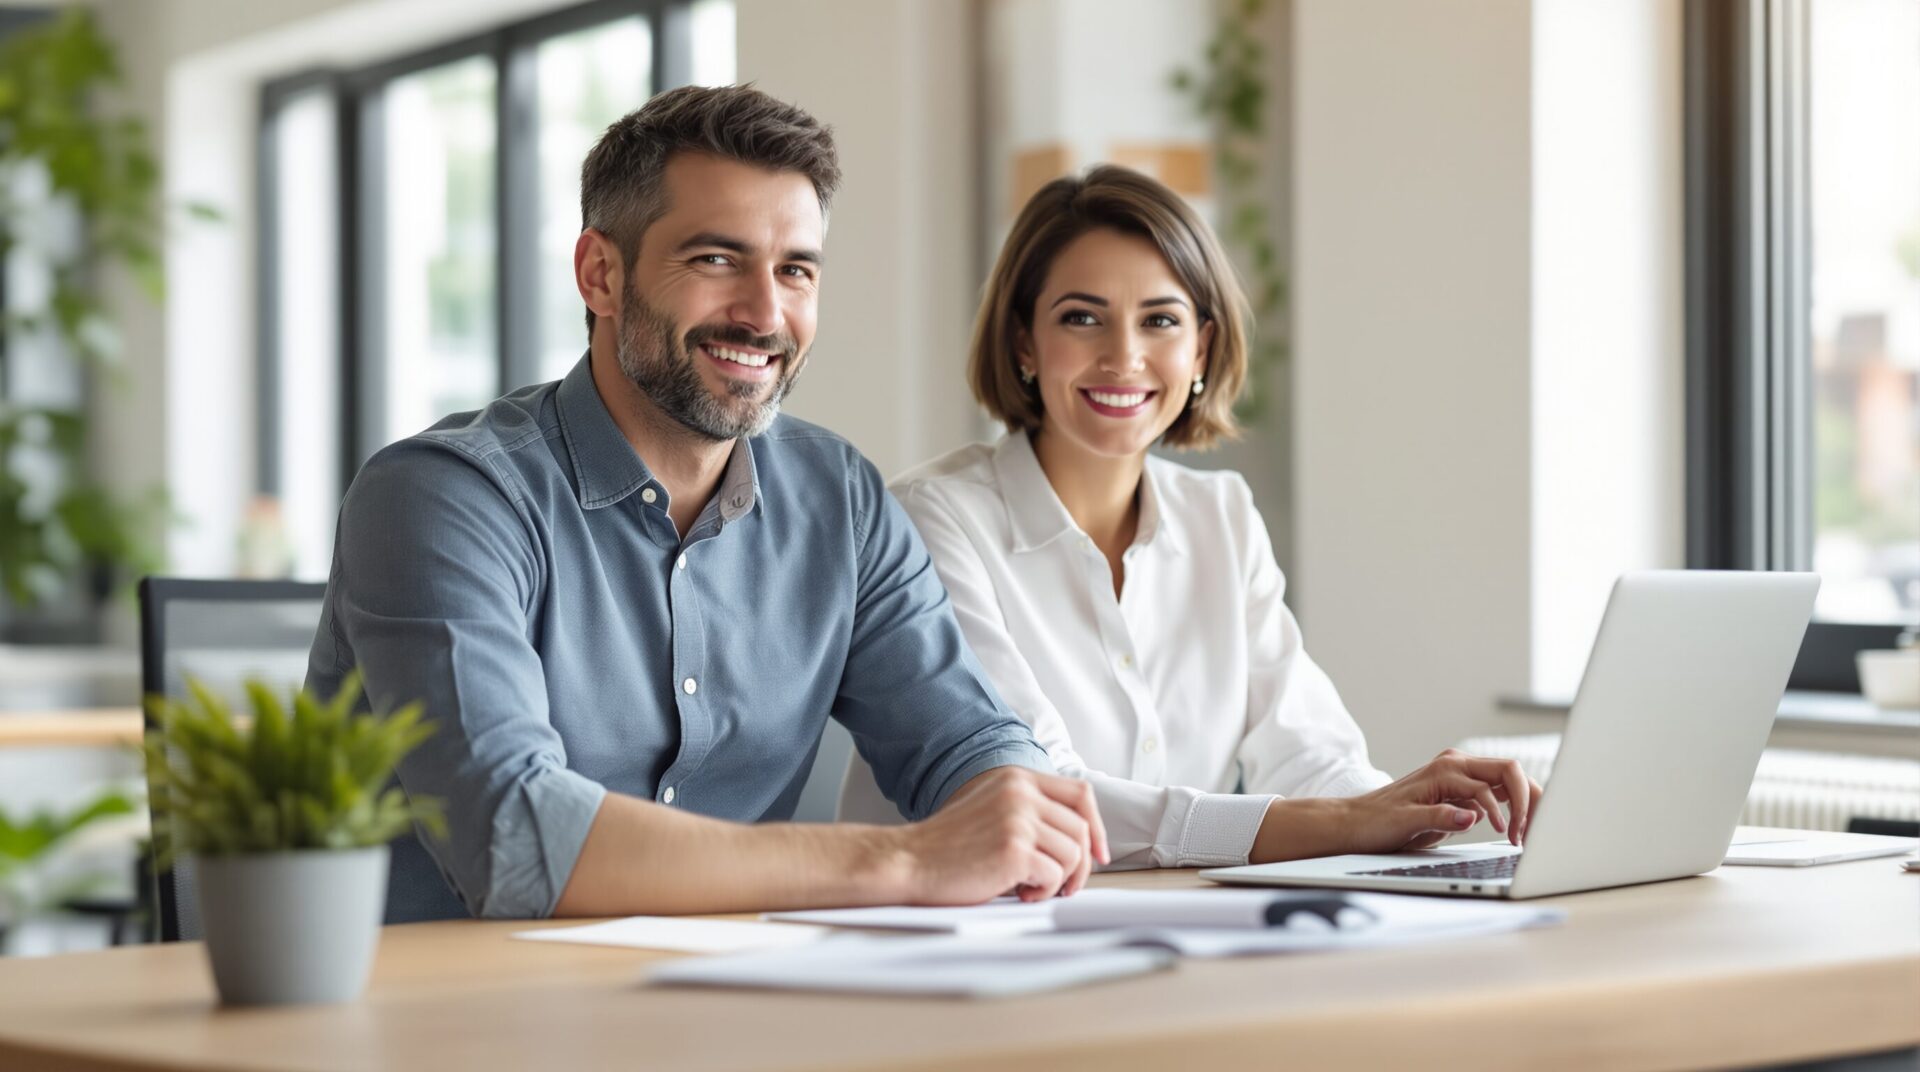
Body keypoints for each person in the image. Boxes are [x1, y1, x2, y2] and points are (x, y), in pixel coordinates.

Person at [307, 85, 1107, 922]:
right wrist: (907, 858)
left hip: (728, 1009)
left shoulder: (841, 499)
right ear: (600, 274)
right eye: (716, 260)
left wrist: (1015, 806)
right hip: (448, 1027)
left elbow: (965, 740)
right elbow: (517, 834)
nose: (766, 314)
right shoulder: (442, 498)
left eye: (795, 270)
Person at [840, 166, 1539, 869]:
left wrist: (1413, 814)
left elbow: (1309, 754)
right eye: (1082, 318)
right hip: (969, 941)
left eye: (1160, 321)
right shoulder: (933, 519)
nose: (1123, 356)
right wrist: (1346, 821)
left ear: (1200, 348)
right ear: (1025, 342)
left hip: (1169, 932)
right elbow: (1040, 797)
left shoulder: (1220, 516)